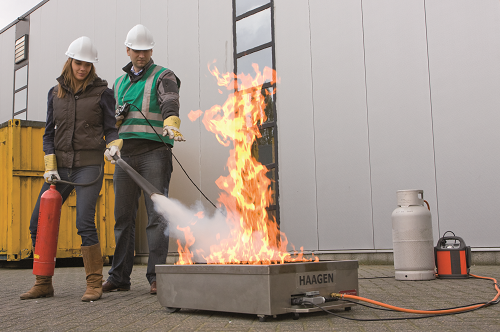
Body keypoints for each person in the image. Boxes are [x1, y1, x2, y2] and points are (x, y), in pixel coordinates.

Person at [20, 36, 121, 302]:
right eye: (78, 62)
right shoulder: (55, 93)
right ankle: (43, 282)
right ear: (70, 61)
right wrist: (50, 164)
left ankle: (94, 284)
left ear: (92, 66)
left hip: (89, 166)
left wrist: (113, 145)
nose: (82, 68)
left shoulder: (102, 93)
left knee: (84, 222)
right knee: (38, 223)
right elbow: (48, 134)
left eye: (87, 64)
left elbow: (111, 129)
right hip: (60, 169)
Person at [103, 24, 185, 295]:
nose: (141, 54)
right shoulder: (118, 83)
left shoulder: (163, 75)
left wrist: (171, 119)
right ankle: (119, 277)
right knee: (122, 217)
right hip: (125, 157)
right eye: (136, 50)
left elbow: (170, 99)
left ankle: (157, 277)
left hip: (154, 153)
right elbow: (111, 118)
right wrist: (109, 142)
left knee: (157, 216)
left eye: (146, 50)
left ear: (151, 50)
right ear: (127, 50)